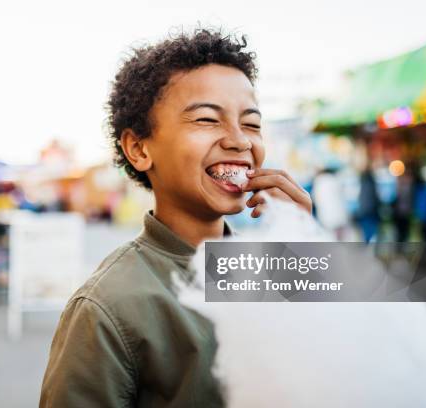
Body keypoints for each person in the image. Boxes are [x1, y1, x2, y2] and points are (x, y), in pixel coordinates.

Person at [39, 29, 312, 407]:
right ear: (138, 149)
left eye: (251, 123)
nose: (240, 141)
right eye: (206, 119)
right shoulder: (109, 306)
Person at [357, 166, 381, 243]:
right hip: (371, 210)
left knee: (366, 230)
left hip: (364, 210)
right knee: (372, 230)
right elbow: (376, 197)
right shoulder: (372, 183)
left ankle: (367, 243)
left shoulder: (362, 184)